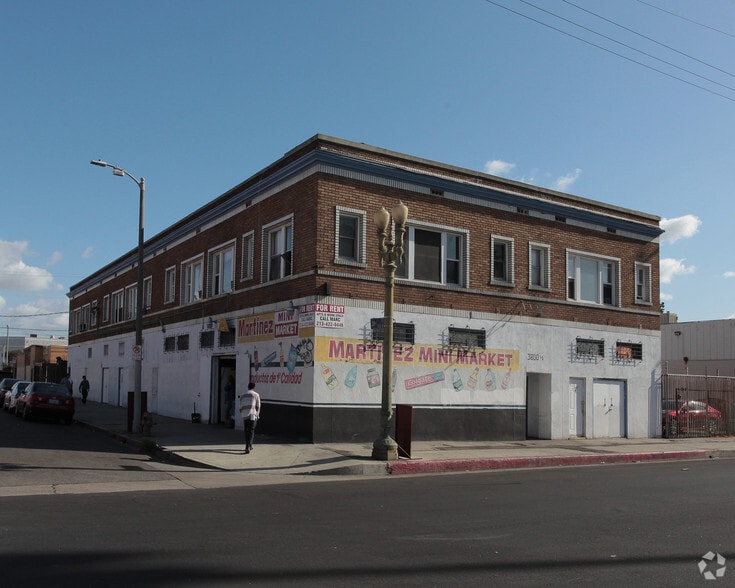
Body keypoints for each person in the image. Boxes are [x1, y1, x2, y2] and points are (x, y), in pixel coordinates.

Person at [238, 381, 260, 454]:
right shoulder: (256, 395)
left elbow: (240, 406)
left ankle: (249, 445)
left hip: (245, 415)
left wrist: (242, 413)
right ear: (254, 387)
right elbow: (258, 406)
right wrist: (257, 414)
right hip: (252, 415)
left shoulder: (243, 395)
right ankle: (248, 446)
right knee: (251, 430)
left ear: (248, 387)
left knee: (246, 430)